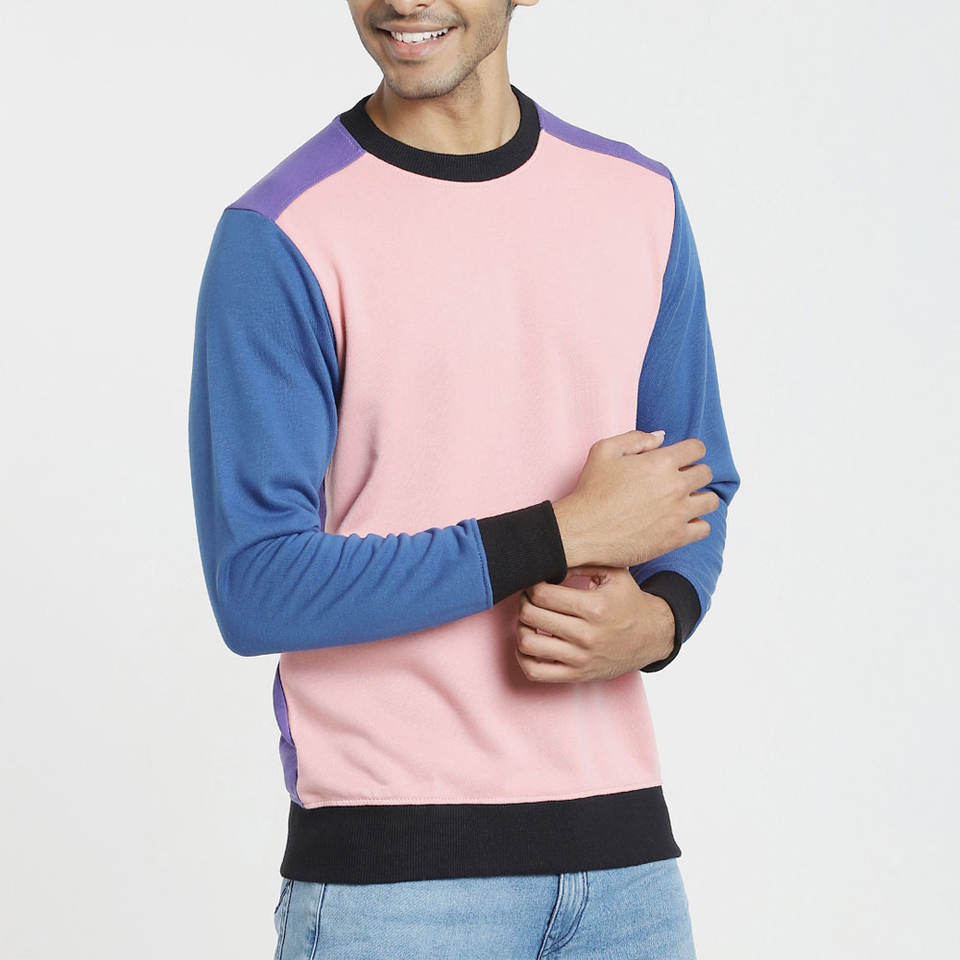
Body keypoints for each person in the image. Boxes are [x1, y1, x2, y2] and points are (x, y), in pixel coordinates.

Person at [187, 1, 741, 956]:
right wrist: (559, 532)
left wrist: (659, 622)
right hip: (395, 880)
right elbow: (256, 584)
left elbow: (696, 482)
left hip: (627, 871)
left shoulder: (638, 199)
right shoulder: (281, 234)